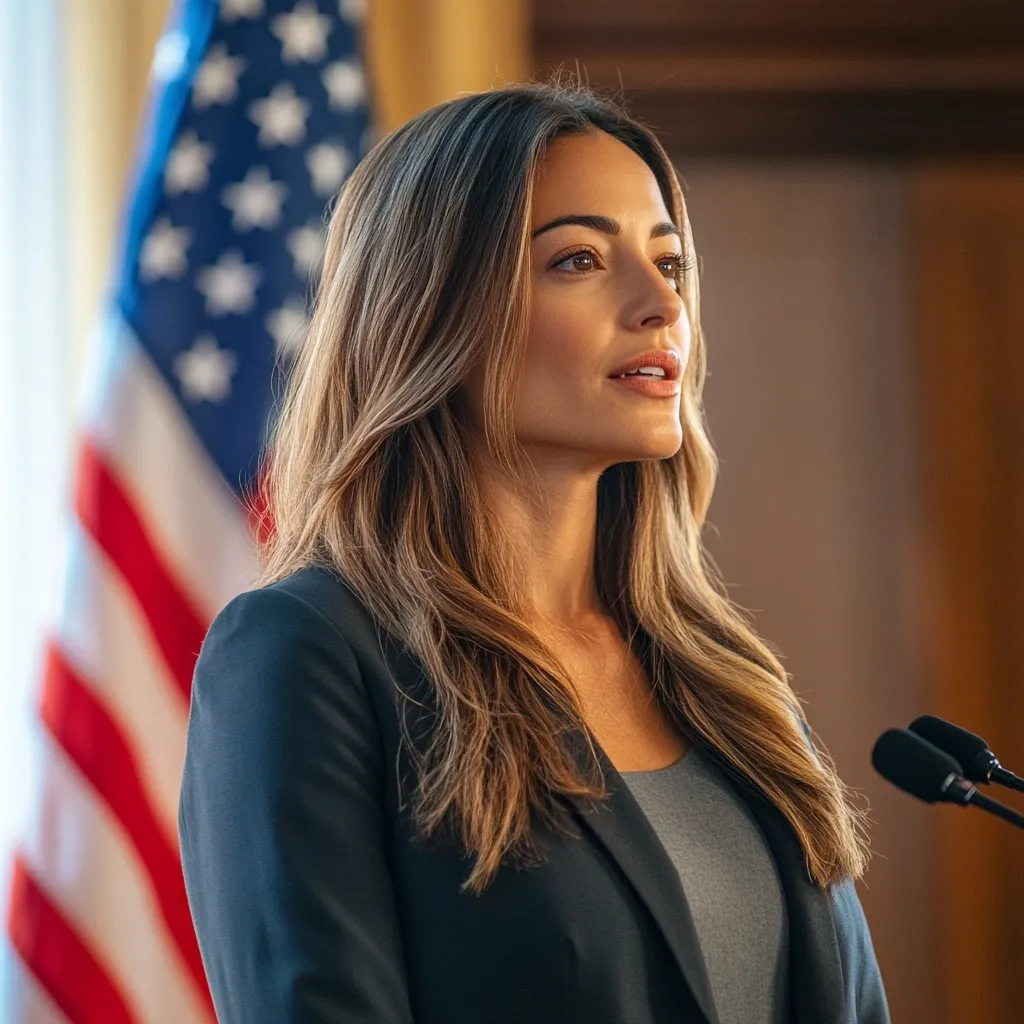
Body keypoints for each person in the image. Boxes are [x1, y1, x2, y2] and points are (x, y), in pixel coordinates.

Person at [178, 78, 890, 1024]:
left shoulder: (732, 685)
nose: (658, 306)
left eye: (670, 263)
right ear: (432, 312)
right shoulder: (306, 654)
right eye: (580, 260)